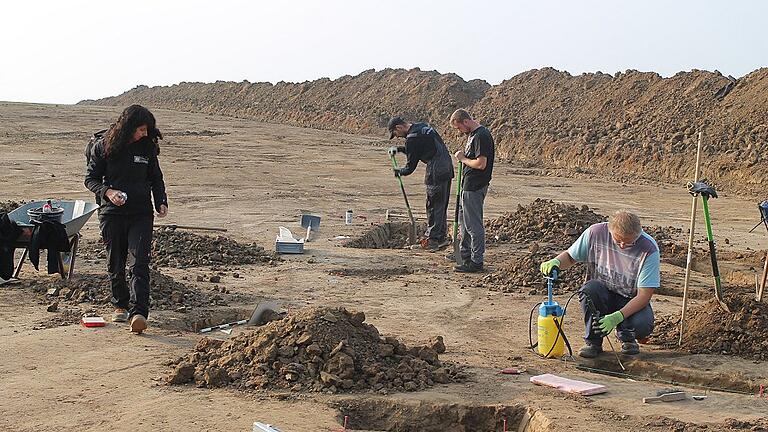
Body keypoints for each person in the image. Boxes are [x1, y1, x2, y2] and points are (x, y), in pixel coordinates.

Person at [85, 105, 168, 334]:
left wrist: (161, 200)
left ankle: (139, 312)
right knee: (116, 262)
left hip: (141, 212)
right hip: (111, 213)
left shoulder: (147, 147)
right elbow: (90, 179)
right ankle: (120, 304)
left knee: (139, 261)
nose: (144, 133)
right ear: (128, 127)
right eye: (141, 129)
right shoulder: (104, 146)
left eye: (147, 130)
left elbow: (156, 178)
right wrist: (108, 192)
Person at [539, 211, 660, 357]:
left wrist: (616, 317)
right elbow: (571, 257)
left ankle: (627, 336)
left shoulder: (649, 249)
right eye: (618, 240)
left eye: (629, 242)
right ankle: (593, 342)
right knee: (589, 290)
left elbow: (644, 295)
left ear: (638, 234)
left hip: (629, 298)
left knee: (642, 324)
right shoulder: (595, 233)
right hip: (601, 293)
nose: (622, 245)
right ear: (610, 230)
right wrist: (557, 262)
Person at [387, 116, 454, 251]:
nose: (397, 137)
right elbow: (418, 150)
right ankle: (441, 238)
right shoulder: (422, 127)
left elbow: (410, 167)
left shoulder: (412, 138)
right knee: (441, 205)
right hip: (446, 167)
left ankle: (432, 241)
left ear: (399, 127)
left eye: (395, 134)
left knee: (433, 205)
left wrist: (399, 171)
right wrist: (399, 149)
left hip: (435, 170)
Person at [449, 109, 494, 273]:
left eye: (459, 128)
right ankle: (464, 254)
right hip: (468, 185)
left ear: (466, 122)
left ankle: (476, 261)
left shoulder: (481, 135)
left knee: (473, 225)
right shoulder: (473, 135)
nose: (459, 132)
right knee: (464, 221)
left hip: (475, 186)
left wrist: (463, 159)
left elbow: (481, 164)